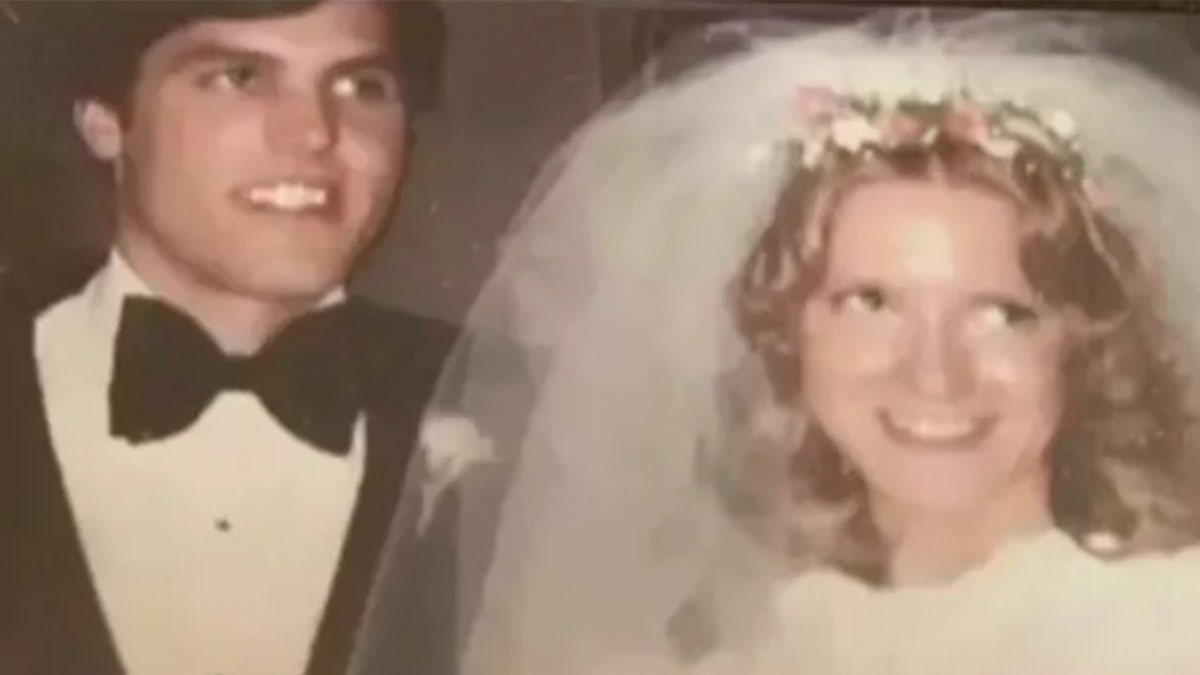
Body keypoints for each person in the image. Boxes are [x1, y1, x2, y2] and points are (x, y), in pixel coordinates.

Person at [403, 9, 1200, 675]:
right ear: (788, 332)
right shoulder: (746, 646)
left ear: (1084, 342)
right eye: (870, 302)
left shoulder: (1167, 625)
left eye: (1001, 312)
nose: (935, 372)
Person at [0, 2, 457, 674]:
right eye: (241, 77)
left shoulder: (522, 410)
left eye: (363, 87)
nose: (313, 135)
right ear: (105, 120)